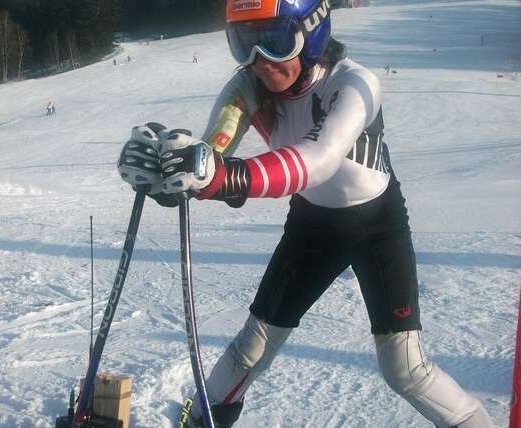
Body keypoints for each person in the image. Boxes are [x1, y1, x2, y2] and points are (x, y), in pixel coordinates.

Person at [117, 1, 495, 427]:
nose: (260, 62)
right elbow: (212, 155)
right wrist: (169, 176)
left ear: (312, 31)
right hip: (312, 226)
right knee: (251, 349)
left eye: (275, 41)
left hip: (377, 226)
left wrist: (217, 178)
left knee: (404, 369)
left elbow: (318, 160)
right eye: (244, 44)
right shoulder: (248, 88)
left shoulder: (355, 83)